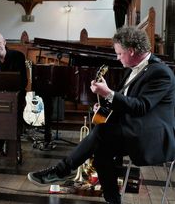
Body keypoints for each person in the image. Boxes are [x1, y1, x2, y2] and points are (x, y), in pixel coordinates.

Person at [27, 27, 175, 204]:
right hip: (134, 129)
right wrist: (106, 104)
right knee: (101, 150)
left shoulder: (160, 72)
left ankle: (61, 171)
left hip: (154, 137)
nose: (117, 57)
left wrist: (109, 94)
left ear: (132, 51)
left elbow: (141, 107)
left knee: (102, 133)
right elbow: (126, 102)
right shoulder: (131, 68)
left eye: (119, 53)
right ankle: (112, 199)